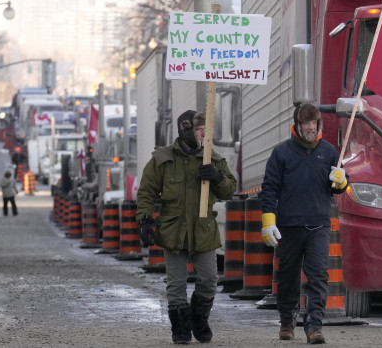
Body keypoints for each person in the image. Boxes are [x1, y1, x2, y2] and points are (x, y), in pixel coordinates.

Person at [136, 110, 236, 345]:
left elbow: (230, 189)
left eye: (205, 131)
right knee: (176, 283)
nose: (203, 135)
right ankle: (180, 327)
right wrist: (145, 220)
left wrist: (217, 177)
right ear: (186, 130)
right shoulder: (163, 159)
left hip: (203, 228)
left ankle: (200, 320)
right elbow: (147, 191)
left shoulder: (214, 159)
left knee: (210, 279)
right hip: (173, 229)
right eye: (200, 131)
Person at [259, 102, 349, 345]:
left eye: (313, 123)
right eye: (306, 124)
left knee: (318, 275)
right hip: (289, 226)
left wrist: (341, 181)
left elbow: (339, 187)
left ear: (318, 125)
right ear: (297, 126)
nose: (310, 128)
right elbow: (269, 189)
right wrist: (268, 220)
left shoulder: (330, 152)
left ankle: (314, 325)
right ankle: (287, 321)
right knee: (288, 275)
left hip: (319, 225)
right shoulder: (282, 153)